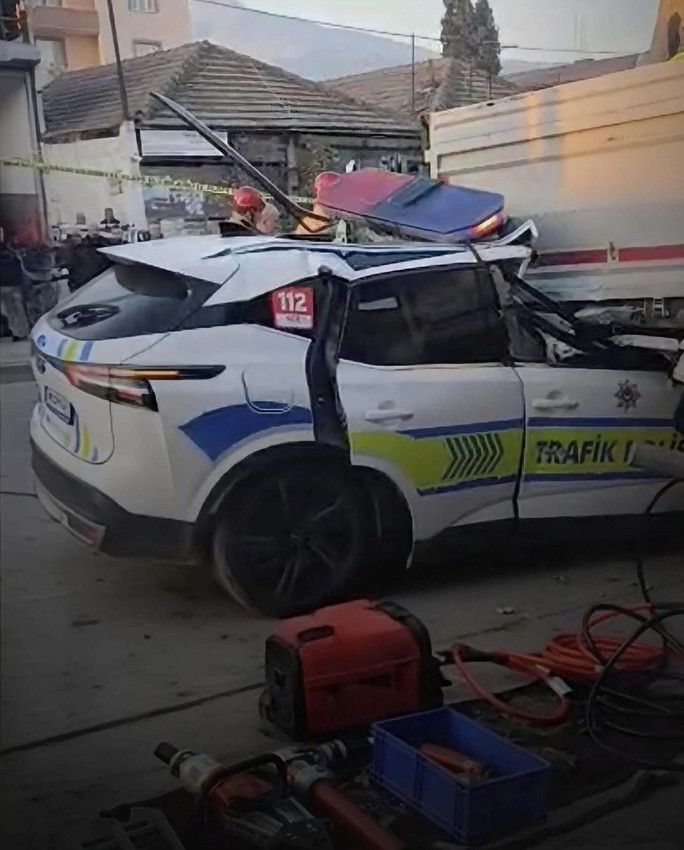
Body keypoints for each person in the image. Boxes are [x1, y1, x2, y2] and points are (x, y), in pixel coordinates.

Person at [0, 240, 29, 341]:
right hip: (15, 287)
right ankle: (22, 332)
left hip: (3, 287)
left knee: (9, 311)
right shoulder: (15, 258)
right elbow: (22, 272)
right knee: (19, 310)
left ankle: (15, 331)